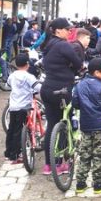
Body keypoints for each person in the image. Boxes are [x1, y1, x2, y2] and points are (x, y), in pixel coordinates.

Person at [40, 17, 83, 175]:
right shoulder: (63, 45)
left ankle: (48, 165)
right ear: (58, 31)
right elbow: (78, 63)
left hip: (47, 88)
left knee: (52, 125)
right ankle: (59, 164)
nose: (69, 32)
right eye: (67, 29)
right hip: (62, 90)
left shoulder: (48, 44)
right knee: (65, 124)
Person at [72, 58, 101, 195]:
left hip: (86, 125)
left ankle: (80, 183)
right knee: (99, 155)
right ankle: (98, 184)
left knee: (85, 154)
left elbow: (75, 104)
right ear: (97, 72)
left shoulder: (79, 85)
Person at [4, 53, 40, 163]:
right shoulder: (29, 76)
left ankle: (8, 152)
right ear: (27, 64)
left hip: (13, 106)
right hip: (24, 106)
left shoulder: (12, 75)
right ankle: (16, 154)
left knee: (12, 129)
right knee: (19, 131)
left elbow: (7, 86)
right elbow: (38, 87)